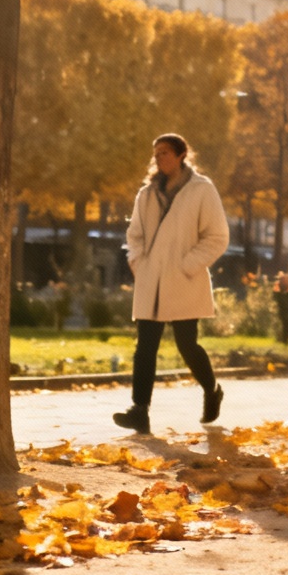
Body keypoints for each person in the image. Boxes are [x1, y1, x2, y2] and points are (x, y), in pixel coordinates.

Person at [116, 133, 229, 434]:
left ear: (181, 155)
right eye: (156, 153)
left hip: (184, 279)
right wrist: (138, 262)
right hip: (151, 278)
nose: (158, 158)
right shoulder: (147, 194)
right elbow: (134, 234)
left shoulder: (202, 190)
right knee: (145, 346)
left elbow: (217, 237)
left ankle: (212, 390)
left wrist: (188, 264)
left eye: (164, 152)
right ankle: (140, 410)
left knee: (187, 345)